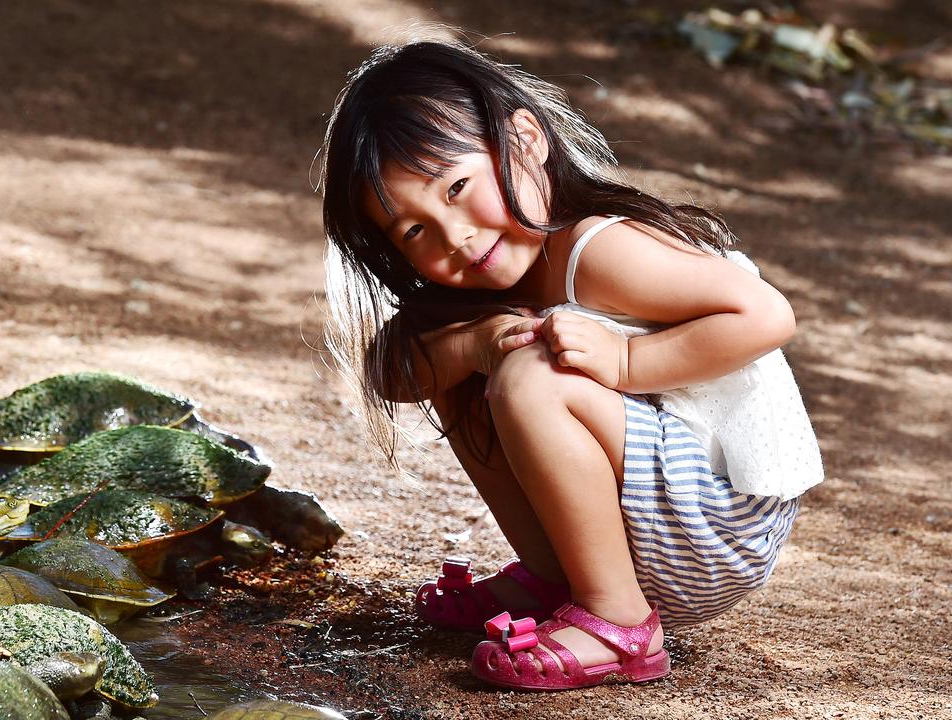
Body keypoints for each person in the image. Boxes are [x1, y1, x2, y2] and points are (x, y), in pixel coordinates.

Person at [318, 37, 823, 691]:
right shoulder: (476, 290)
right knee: (459, 351)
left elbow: (764, 315)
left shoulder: (596, 250)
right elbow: (393, 373)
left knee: (529, 373)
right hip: (659, 520)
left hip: (718, 520)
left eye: (459, 188)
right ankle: (557, 577)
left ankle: (619, 623)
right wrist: (469, 346)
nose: (454, 235)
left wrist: (628, 358)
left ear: (526, 141)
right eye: (414, 231)